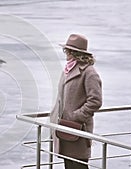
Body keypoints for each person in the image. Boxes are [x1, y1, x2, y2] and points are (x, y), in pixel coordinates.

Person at [51, 34, 103, 169]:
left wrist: (76, 116)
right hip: (65, 127)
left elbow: (95, 101)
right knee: (68, 164)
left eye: (67, 50)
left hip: (79, 128)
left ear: (75, 53)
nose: (65, 53)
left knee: (79, 165)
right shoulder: (68, 69)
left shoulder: (89, 72)